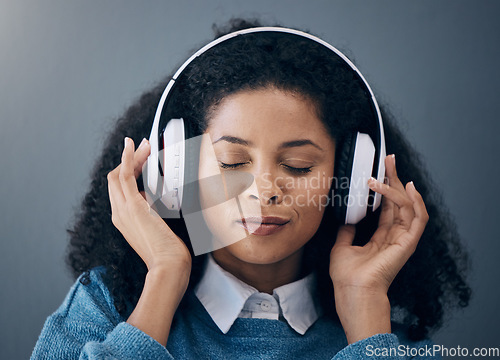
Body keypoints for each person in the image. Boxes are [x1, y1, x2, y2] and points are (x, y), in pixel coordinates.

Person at [31, 18, 471, 359]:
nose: (265, 191)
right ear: (176, 169)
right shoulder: (105, 306)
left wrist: (365, 317)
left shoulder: (383, 334)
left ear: (351, 180)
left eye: (297, 165)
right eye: (232, 162)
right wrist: (164, 278)